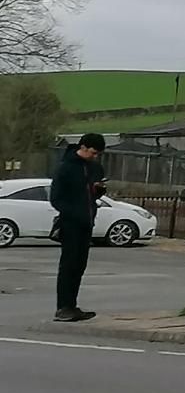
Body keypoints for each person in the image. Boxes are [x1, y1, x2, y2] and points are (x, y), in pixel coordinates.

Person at [48, 133, 106, 323]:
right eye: (93, 152)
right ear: (83, 147)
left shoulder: (95, 168)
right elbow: (56, 198)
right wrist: (75, 212)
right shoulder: (66, 167)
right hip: (70, 222)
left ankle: (72, 305)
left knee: (79, 266)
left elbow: (93, 194)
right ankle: (63, 307)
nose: (95, 156)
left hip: (87, 222)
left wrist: (98, 192)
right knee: (68, 265)